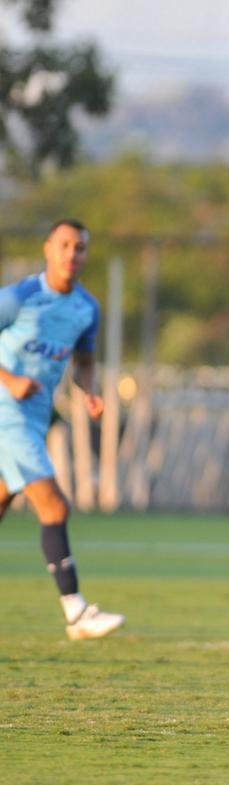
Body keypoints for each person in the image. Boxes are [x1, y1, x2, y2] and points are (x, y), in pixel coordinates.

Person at [0, 219, 124, 640]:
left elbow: (84, 362)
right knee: (54, 507)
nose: (73, 254)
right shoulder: (19, 298)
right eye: (65, 245)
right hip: (6, 415)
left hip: (34, 418)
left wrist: (89, 391)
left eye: (81, 248)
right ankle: (76, 611)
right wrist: (10, 380)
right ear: (48, 249)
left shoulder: (86, 309)